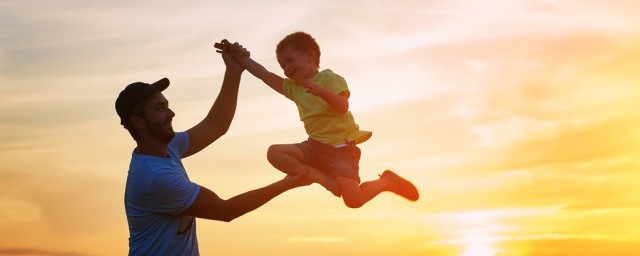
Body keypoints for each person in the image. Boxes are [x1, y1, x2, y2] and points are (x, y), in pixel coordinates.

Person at [115, 40, 311, 256]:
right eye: (160, 109)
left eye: (167, 106)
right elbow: (225, 210)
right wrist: (288, 183)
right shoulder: (155, 178)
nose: (171, 114)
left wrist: (234, 72)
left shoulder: (169, 147)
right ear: (139, 122)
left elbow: (216, 125)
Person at [220, 32, 419, 208]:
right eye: (283, 66)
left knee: (354, 201)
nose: (286, 69)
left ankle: (386, 182)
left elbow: (343, 106)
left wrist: (321, 92)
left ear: (310, 55)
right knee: (275, 153)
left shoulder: (329, 78)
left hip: (341, 150)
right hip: (315, 147)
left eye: (290, 61)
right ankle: (321, 178)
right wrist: (241, 57)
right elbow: (264, 75)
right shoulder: (294, 88)